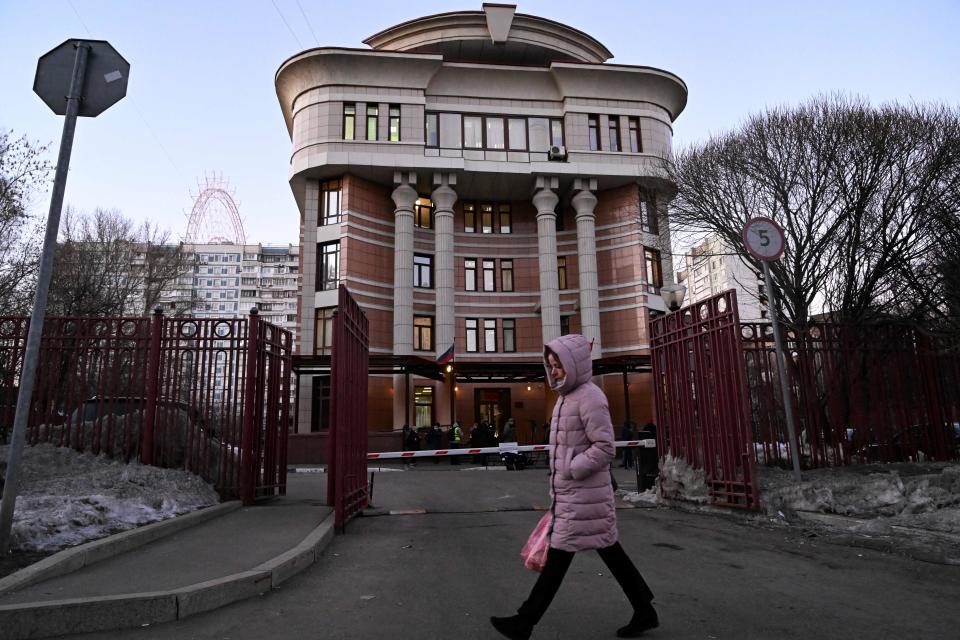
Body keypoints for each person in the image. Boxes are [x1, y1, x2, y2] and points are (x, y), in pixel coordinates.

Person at [491, 334, 658, 640]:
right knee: (609, 551)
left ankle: (524, 621)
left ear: (574, 365)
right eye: (551, 365)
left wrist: (570, 467)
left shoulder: (590, 397)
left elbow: (605, 447)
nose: (553, 371)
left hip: (584, 496)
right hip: (574, 497)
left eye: (558, 365)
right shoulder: (567, 397)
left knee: (558, 559)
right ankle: (644, 609)